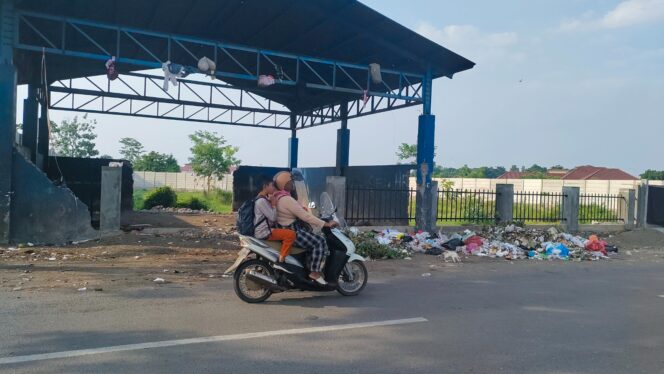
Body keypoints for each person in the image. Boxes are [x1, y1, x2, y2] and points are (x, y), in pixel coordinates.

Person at [273, 171, 337, 285]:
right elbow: (305, 216)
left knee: (312, 240)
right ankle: (314, 272)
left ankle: (306, 268)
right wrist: (325, 224)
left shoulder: (280, 197)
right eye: (290, 182)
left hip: (286, 229)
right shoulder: (286, 199)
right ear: (285, 184)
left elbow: (302, 211)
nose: (293, 184)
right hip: (292, 231)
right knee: (320, 242)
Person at [253, 175, 297, 263]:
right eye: (272, 185)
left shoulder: (262, 199)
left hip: (264, 229)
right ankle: (282, 259)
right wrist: (273, 204)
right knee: (291, 234)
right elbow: (273, 218)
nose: (274, 188)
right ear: (265, 186)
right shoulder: (261, 201)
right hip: (264, 231)